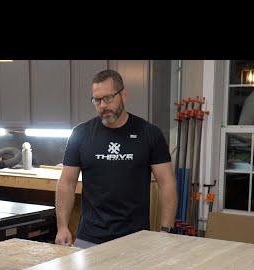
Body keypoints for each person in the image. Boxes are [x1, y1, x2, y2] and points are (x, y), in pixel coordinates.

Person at [55, 69, 177, 248]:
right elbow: (66, 182)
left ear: (123, 95)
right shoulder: (80, 134)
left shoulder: (149, 134)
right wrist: (62, 226)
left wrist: (167, 230)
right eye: (97, 100)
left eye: (108, 98)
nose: (102, 105)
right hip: (89, 237)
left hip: (135, 239)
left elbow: (167, 183)